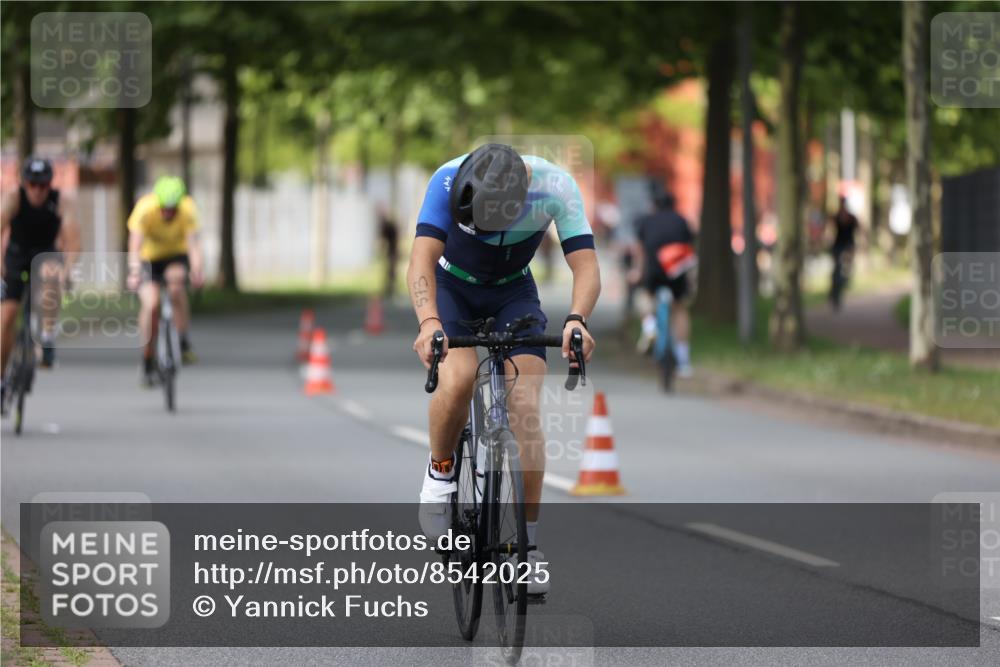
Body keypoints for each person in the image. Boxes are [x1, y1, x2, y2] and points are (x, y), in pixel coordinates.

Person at [408, 144, 600, 596]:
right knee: (456, 380)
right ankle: (439, 475)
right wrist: (429, 322)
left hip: (513, 292)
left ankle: (527, 548)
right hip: (451, 286)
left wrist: (577, 319)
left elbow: (586, 266)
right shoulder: (446, 178)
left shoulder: (555, 187)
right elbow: (421, 260)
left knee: (525, 408)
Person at [1, 157, 80, 391]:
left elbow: (74, 244)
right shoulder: (13, 198)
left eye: (43, 185)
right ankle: (2, 378)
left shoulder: (62, 202)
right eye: (32, 185)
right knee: (6, 319)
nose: (37, 191)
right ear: (24, 184)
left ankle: (46, 337)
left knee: (51, 271)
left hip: (46, 253)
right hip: (16, 256)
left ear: (50, 185)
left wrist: (66, 272)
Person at [126, 176, 204, 385]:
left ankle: (183, 341)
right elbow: (134, 246)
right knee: (152, 305)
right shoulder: (145, 208)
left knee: (176, 285)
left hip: (175, 256)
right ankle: (147, 357)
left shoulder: (188, 209)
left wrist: (197, 270)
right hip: (148, 258)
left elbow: (193, 245)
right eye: (164, 209)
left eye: (172, 209)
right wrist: (134, 273)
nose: (168, 213)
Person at [628, 184, 696, 377]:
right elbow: (688, 251)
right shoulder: (682, 221)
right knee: (680, 309)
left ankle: (649, 327)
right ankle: (683, 362)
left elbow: (640, 251)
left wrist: (637, 272)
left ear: (654, 205)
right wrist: (690, 278)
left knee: (645, 297)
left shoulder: (646, 221)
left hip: (654, 270)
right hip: (676, 269)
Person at [829, 196, 859, 310]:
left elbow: (859, 230)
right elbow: (830, 231)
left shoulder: (851, 218)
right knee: (836, 271)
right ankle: (834, 293)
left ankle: (838, 291)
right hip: (838, 247)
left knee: (845, 271)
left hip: (847, 248)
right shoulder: (836, 217)